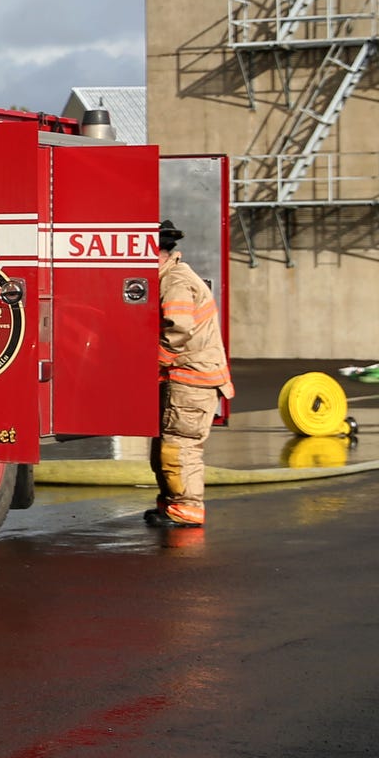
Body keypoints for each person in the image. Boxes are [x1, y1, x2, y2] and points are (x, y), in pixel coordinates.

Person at [149, 218, 232, 529]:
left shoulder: (175, 282)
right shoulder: (169, 276)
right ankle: (172, 505)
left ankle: (186, 510)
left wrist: (151, 365)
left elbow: (177, 330)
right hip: (183, 380)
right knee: (166, 447)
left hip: (190, 382)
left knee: (179, 447)